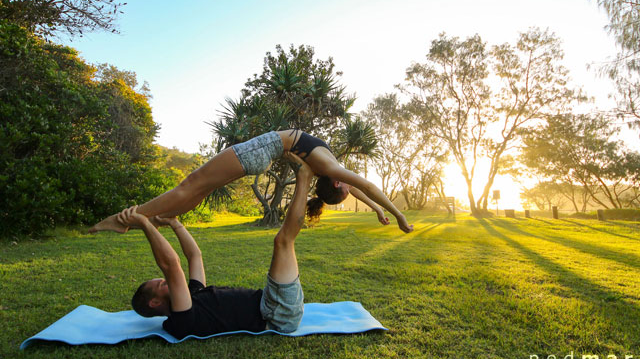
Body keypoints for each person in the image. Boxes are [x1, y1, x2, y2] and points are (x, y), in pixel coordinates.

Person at [119, 153, 314, 338]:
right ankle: (304, 178)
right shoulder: (182, 320)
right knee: (283, 241)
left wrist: (174, 223)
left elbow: (194, 255)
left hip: (271, 304)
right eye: (161, 284)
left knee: (283, 242)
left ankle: (304, 177)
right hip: (277, 315)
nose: (166, 280)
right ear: (155, 302)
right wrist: (144, 224)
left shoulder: (193, 294)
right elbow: (171, 266)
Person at [89, 129, 413, 234]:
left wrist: (396, 213)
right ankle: (159, 218)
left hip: (261, 149)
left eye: (346, 187)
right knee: (199, 191)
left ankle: (124, 219)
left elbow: (366, 186)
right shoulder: (329, 170)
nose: (349, 184)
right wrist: (377, 212)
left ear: (337, 185)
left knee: (191, 183)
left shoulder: (329, 166)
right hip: (262, 155)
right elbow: (360, 190)